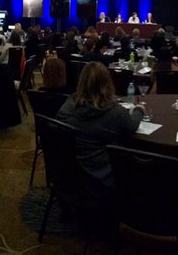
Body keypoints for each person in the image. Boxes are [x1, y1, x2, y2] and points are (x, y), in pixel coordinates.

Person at [56, 61, 144, 204]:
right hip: (104, 179)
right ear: (107, 82)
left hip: (69, 175)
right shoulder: (115, 112)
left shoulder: (67, 107)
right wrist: (139, 110)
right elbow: (131, 127)